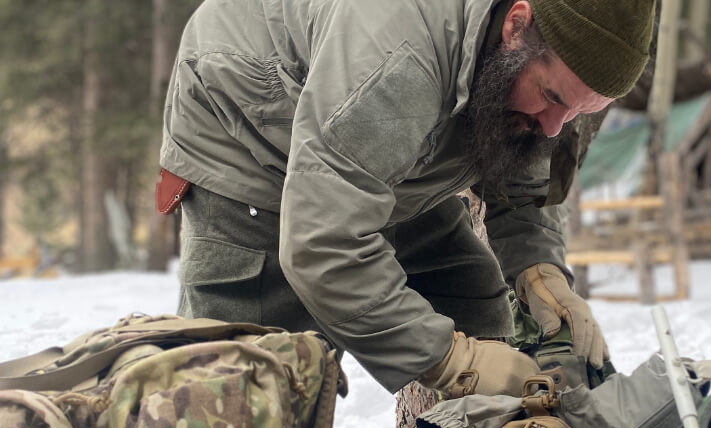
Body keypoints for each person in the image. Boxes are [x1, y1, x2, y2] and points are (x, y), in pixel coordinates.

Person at [160, 0, 655, 396]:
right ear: (516, 26)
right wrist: (452, 362)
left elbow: (522, 175)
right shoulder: (398, 56)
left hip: (381, 147)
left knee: (475, 302)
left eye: (580, 113)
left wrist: (541, 272)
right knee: (245, 387)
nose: (556, 127)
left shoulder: (561, 76)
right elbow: (323, 243)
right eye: (552, 100)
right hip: (252, 140)